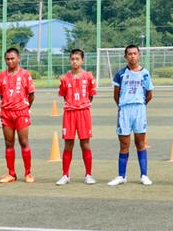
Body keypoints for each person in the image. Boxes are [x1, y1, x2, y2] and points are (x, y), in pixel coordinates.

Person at [108, 44, 153, 186]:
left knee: (140, 143)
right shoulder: (120, 74)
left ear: (139, 55)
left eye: (135, 53)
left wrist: (139, 104)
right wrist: (123, 105)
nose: (132, 56)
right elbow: (116, 94)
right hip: (124, 111)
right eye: (129, 54)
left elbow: (149, 94)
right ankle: (122, 176)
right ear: (125, 56)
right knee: (124, 144)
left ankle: (144, 175)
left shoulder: (145, 73)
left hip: (139, 109)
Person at [56, 49, 97, 186]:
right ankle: (65, 175)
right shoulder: (64, 78)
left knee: (85, 143)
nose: (74, 61)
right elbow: (64, 95)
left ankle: (88, 175)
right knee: (68, 144)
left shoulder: (89, 77)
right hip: (69, 113)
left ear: (82, 60)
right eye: (72, 59)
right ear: (70, 60)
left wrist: (82, 105)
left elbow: (90, 95)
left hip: (84, 112)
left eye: (77, 59)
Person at [0, 48, 36, 184]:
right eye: (7, 59)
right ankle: (11, 173)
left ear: (18, 59)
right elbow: (2, 95)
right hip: (6, 113)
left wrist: (25, 108)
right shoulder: (1, 76)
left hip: (21, 112)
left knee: (24, 142)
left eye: (12, 58)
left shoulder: (25, 74)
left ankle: (28, 173)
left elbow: (31, 95)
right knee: (9, 143)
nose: (10, 61)